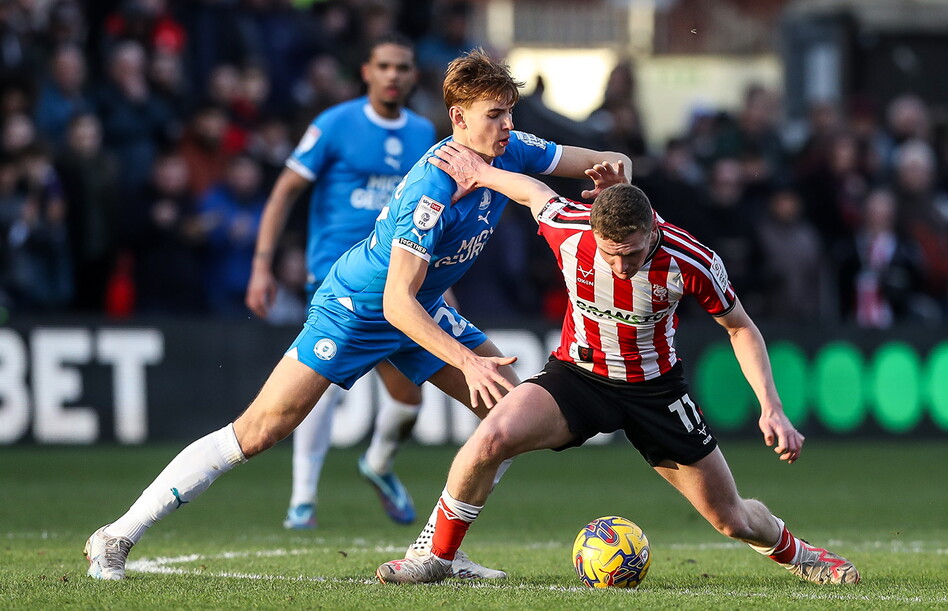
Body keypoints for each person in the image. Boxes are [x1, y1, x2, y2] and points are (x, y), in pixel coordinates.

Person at [84, 48, 630, 581]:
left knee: (508, 417)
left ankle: (437, 553)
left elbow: (614, 162)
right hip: (358, 308)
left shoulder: (513, 149)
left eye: (510, 111)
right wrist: (467, 360)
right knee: (260, 430)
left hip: (420, 307)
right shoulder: (432, 186)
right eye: (495, 114)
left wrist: (613, 184)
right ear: (459, 118)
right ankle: (116, 535)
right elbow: (395, 303)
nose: (507, 124)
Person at [375, 142, 860, 586]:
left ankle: (806, 556)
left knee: (730, 518)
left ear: (653, 229)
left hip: (655, 391)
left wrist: (771, 407)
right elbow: (532, 191)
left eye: (632, 254)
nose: (621, 266)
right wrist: (480, 172)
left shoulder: (692, 260)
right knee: (491, 438)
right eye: (610, 255)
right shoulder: (569, 227)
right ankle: (437, 557)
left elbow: (740, 328)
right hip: (577, 378)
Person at [245, 34, 438, 530]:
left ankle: (378, 463)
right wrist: (263, 265)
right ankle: (302, 501)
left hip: (397, 279)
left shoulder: (423, 132)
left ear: (414, 76)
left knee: (410, 397)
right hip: (336, 276)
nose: (393, 75)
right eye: (384, 66)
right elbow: (284, 192)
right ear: (367, 72)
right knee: (322, 385)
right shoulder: (334, 124)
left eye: (403, 67)